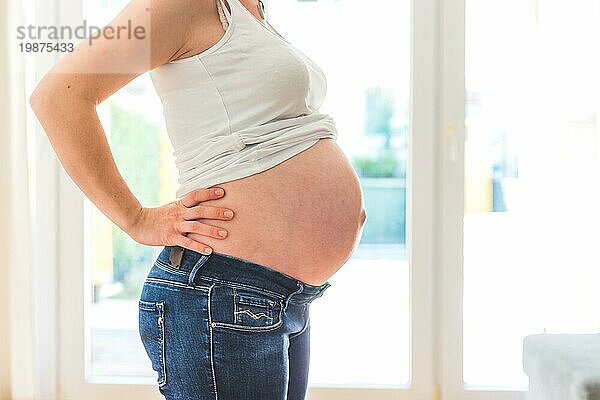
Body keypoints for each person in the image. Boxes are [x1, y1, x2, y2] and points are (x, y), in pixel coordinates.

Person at [30, 0, 367, 398]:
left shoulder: (252, 10)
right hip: (221, 289)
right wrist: (136, 219)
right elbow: (59, 97)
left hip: (282, 293)